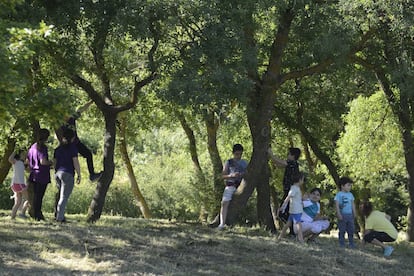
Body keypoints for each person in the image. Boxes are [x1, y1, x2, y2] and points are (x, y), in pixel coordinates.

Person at [56, 100, 102, 182]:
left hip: (76, 143)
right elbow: (60, 138)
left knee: (88, 154)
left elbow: (81, 109)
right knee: (70, 161)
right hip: (68, 145)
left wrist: (91, 102)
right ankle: (61, 176)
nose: (67, 116)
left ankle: (92, 175)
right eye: (65, 114)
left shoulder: (72, 118)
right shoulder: (59, 124)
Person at [268, 147, 301, 235]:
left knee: (283, 211)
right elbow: (279, 164)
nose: (287, 156)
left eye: (288, 154)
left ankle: (293, 230)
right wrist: (272, 158)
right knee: (286, 211)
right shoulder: (291, 164)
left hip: (290, 191)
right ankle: (292, 231)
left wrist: (271, 154)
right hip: (288, 190)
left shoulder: (292, 163)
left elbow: (281, 162)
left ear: (293, 156)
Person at [217, 144, 248, 230]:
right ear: (233, 153)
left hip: (241, 185)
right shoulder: (229, 162)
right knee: (224, 203)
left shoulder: (244, 163)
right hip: (230, 185)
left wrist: (242, 175)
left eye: (240, 154)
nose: (239, 156)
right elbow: (222, 176)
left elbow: (248, 174)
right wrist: (231, 175)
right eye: (237, 154)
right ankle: (222, 224)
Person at [54, 129, 81, 223]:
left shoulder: (58, 149)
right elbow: (75, 162)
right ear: (72, 138)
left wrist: (56, 172)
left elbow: (55, 162)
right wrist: (79, 174)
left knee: (61, 196)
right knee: (64, 197)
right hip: (67, 173)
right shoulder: (72, 148)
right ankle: (59, 218)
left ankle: (60, 215)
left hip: (58, 173)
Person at [27, 128, 53, 221]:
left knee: (35, 196)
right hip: (42, 175)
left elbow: (28, 161)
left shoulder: (32, 147)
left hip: (33, 174)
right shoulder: (42, 148)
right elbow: (43, 162)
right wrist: (52, 162)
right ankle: (37, 214)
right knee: (39, 196)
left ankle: (34, 213)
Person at [277, 171, 305, 242]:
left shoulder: (295, 188)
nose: (303, 181)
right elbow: (288, 197)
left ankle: (280, 237)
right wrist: (283, 206)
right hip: (296, 210)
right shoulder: (294, 188)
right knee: (298, 224)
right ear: (299, 179)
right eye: (302, 179)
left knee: (288, 224)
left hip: (294, 209)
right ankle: (301, 239)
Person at [334, 176, 357, 248]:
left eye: (350, 185)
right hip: (342, 215)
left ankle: (351, 243)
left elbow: (353, 204)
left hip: (350, 215)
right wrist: (338, 213)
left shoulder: (350, 195)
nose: (350, 187)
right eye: (348, 185)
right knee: (342, 230)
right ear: (342, 186)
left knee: (351, 230)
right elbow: (337, 205)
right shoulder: (339, 194)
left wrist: (354, 213)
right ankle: (341, 243)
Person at [8, 151, 29, 219]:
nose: (24, 155)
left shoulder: (22, 163)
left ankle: (12, 216)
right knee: (28, 199)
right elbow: (10, 159)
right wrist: (14, 151)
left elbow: (29, 170)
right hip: (20, 184)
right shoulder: (16, 162)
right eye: (23, 154)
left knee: (18, 202)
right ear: (19, 155)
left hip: (14, 184)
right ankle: (22, 213)